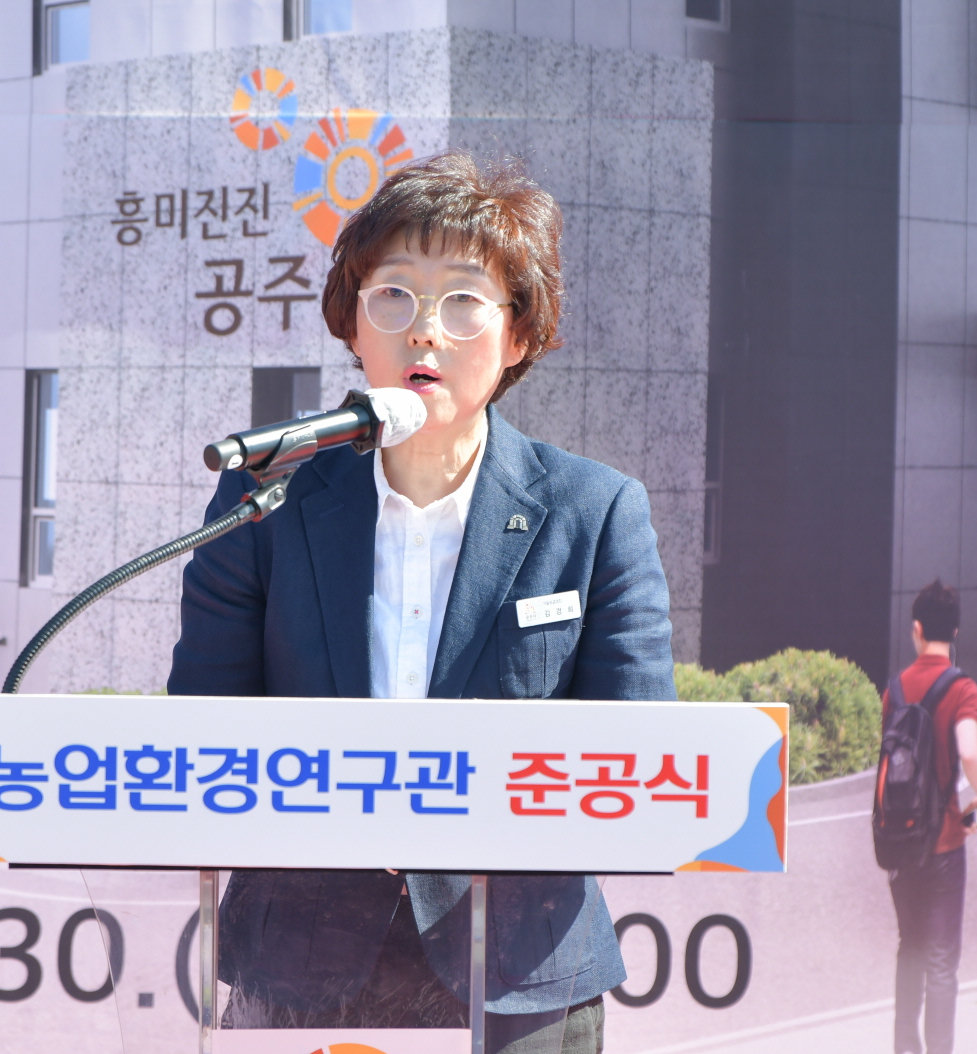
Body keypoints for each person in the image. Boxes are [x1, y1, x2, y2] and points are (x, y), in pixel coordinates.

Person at [168, 154, 675, 1053]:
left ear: (518, 335)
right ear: (353, 326)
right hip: (301, 965)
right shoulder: (266, 499)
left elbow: (633, 757)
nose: (424, 331)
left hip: (520, 975)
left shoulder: (594, 514)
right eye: (393, 297)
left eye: (463, 302)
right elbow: (205, 722)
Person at [884, 579, 977, 1054]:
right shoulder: (962, 688)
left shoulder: (895, 690)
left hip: (899, 842)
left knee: (909, 946)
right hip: (945, 842)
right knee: (941, 962)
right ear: (956, 632)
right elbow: (968, 749)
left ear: (916, 629)